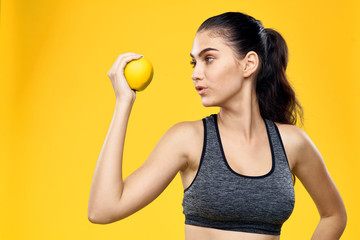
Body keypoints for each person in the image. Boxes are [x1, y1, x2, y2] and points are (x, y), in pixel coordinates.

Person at [88, 11, 347, 240]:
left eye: (208, 59)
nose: (195, 73)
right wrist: (124, 102)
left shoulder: (292, 143)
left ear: (249, 64)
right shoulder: (188, 140)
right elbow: (103, 209)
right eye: (194, 62)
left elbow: (334, 215)